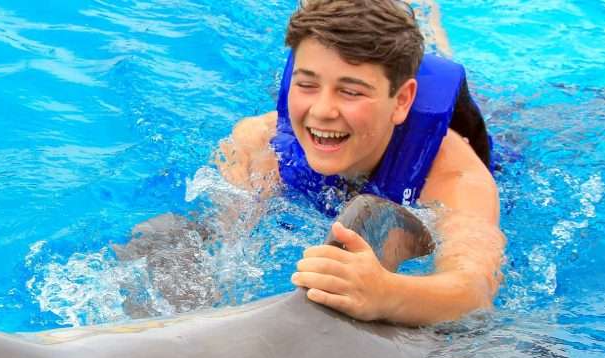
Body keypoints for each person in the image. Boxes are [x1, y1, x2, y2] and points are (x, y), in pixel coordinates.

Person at [214, 0, 505, 326]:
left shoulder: (454, 176)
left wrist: (386, 293)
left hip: (502, 131)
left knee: (438, 58)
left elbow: (474, 290)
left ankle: (422, 12)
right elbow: (223, 250)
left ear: (403, 101)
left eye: (350, 92)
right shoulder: (257, 143)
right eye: (307, 84)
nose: (323, 110)